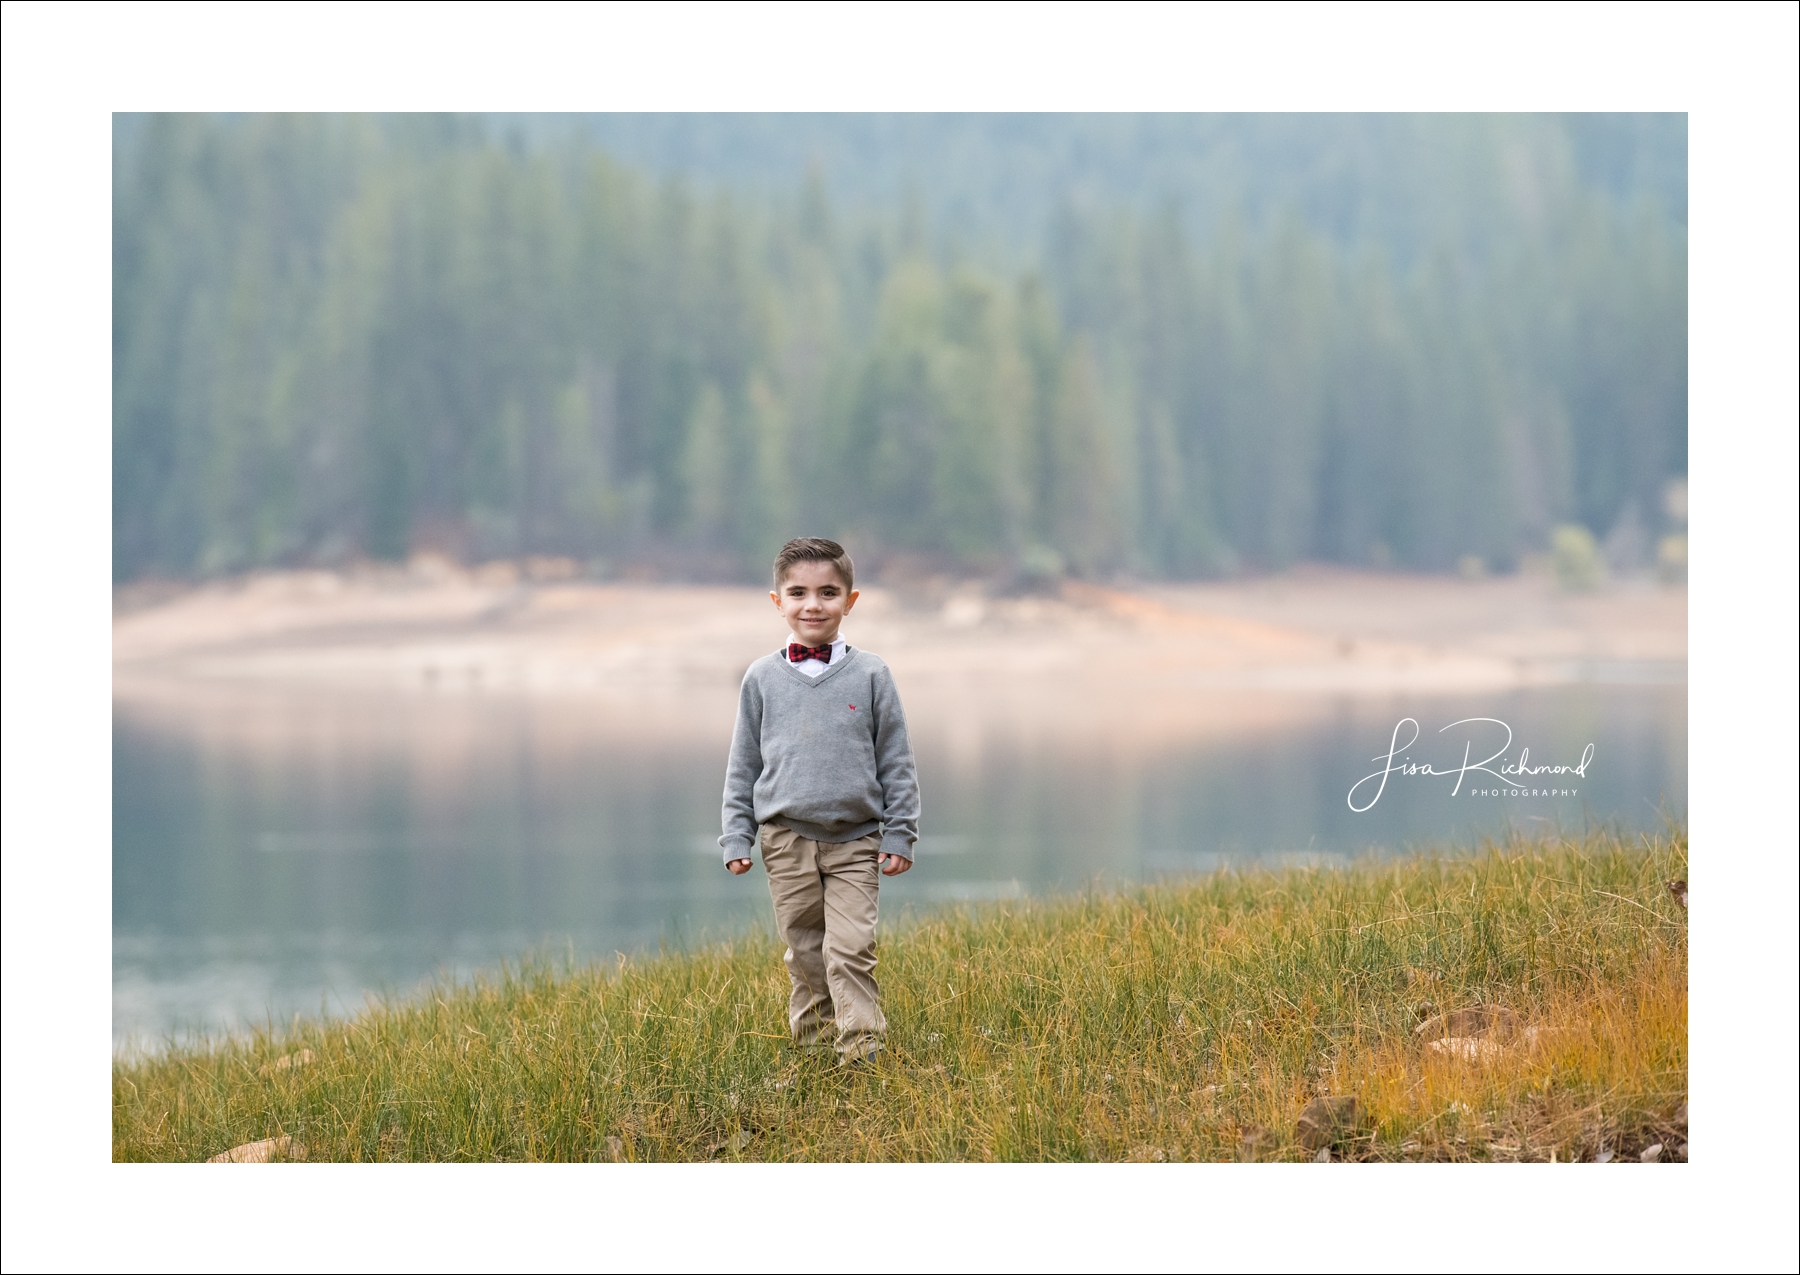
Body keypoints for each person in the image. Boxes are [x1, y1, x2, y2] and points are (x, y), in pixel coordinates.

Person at [720, 537, 920, 1066]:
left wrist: (901, 831)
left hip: (857, 840)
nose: (814, 604)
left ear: (850, 601)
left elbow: (895, 760)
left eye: (829, 592)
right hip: (785, 841)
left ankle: (862, 1056)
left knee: (850, 948)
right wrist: (736, 835)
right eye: (799, 592)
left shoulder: (872, 673)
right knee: (806, 953)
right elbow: (743, 766)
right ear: (777, 601)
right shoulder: (761, 678)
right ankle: (812, 1058)